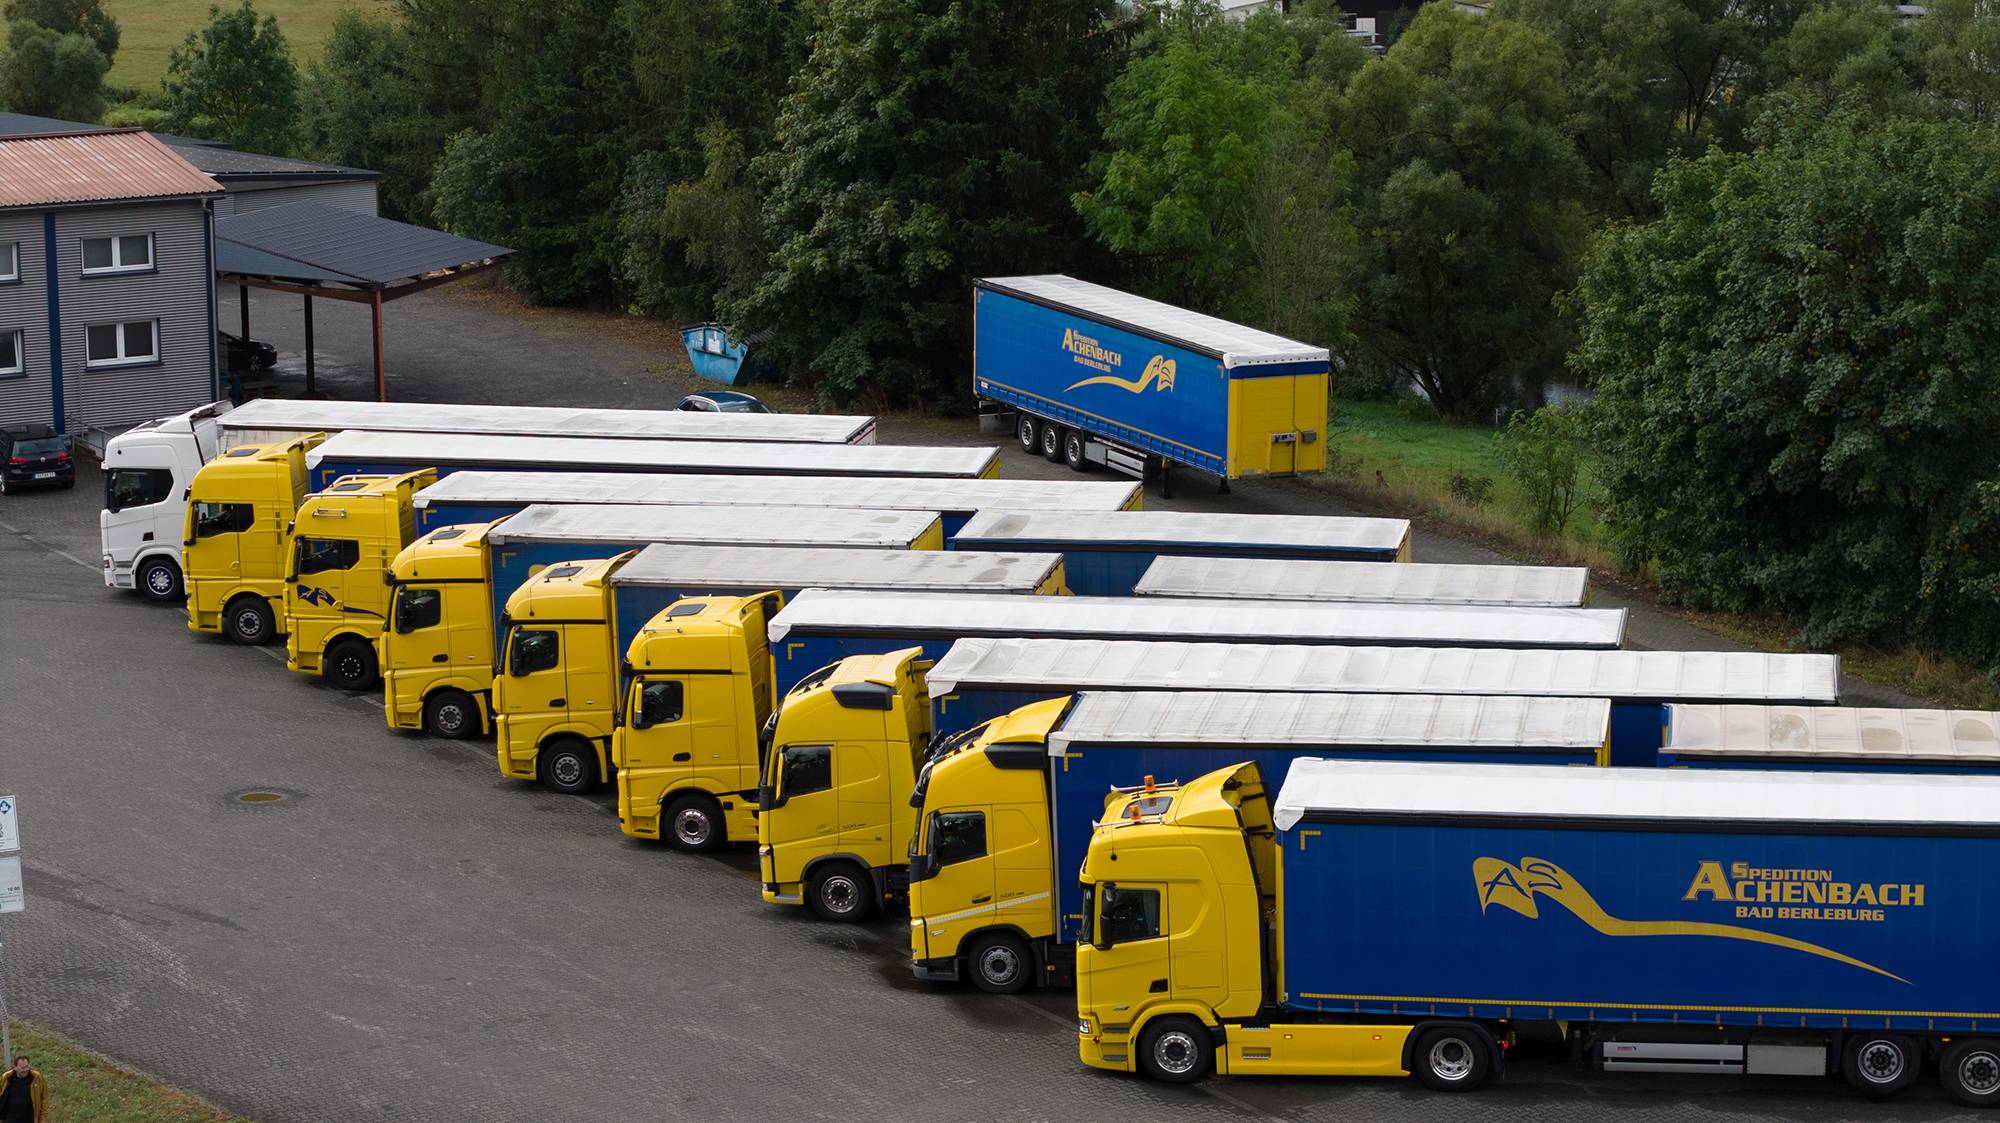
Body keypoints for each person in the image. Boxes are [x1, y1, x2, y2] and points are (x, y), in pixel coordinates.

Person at [0, 1054, 44, 1123]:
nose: (25, 1070)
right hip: (10, 1119)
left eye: (27, 1066)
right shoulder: (7, 1078)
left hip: (29, 1119)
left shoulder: (36, 1078)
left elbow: (44, 1099)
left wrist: (43, 1119)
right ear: (15, 1067)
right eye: (22, 1068)